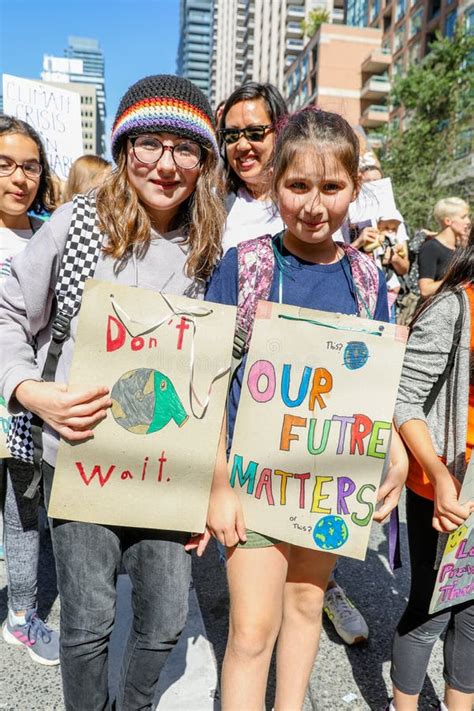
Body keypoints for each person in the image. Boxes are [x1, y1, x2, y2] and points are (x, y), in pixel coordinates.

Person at [0, 75, 225, 709]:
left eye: (185, 148)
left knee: (161, 622)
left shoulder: (214, 246)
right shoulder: (76, 224)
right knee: (88, 619)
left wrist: (212, 481)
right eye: (149, 142)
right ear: (125, 149)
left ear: (204, 160)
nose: (165, 162)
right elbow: (8, 311)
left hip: (167, 470)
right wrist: (28, 389)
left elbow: (223, 367)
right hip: (79, 456)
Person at [203, 107, 408, 709]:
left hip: (329, 482)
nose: (314, 205)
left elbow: (378, 382)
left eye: (331, 187)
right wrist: (218, 482)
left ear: (355, 190)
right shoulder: (245, 266)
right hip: (252, 479)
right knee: (250, 631)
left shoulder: (368, 280)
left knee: (305, 606)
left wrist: (392, 448)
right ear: (274, 184)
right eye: (297, 186)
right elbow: (211, 382)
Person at [389, 241, 474, 711]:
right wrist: (439, 474)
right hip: (446, 490)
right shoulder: (453, 306)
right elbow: (404, 400)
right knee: (431, 610)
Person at [0, 115, 59, 665]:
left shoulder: (51, 233)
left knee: (23, 511)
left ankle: (21, 614)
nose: (20, 178)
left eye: (31, 166)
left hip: (24, 406)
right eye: (5, 165)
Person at [218, 82, 288, 253]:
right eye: (231, 135)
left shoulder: (308, 201)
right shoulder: (214, 205)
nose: (241, 145)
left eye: (255, 133)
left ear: (279, 132)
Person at [418, 197, 471, 298]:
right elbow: (425, 290)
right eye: (463, 217)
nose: (468, 221)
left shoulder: (458, 248)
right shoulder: (431, 247)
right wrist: (457, 279)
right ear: (448, 221)